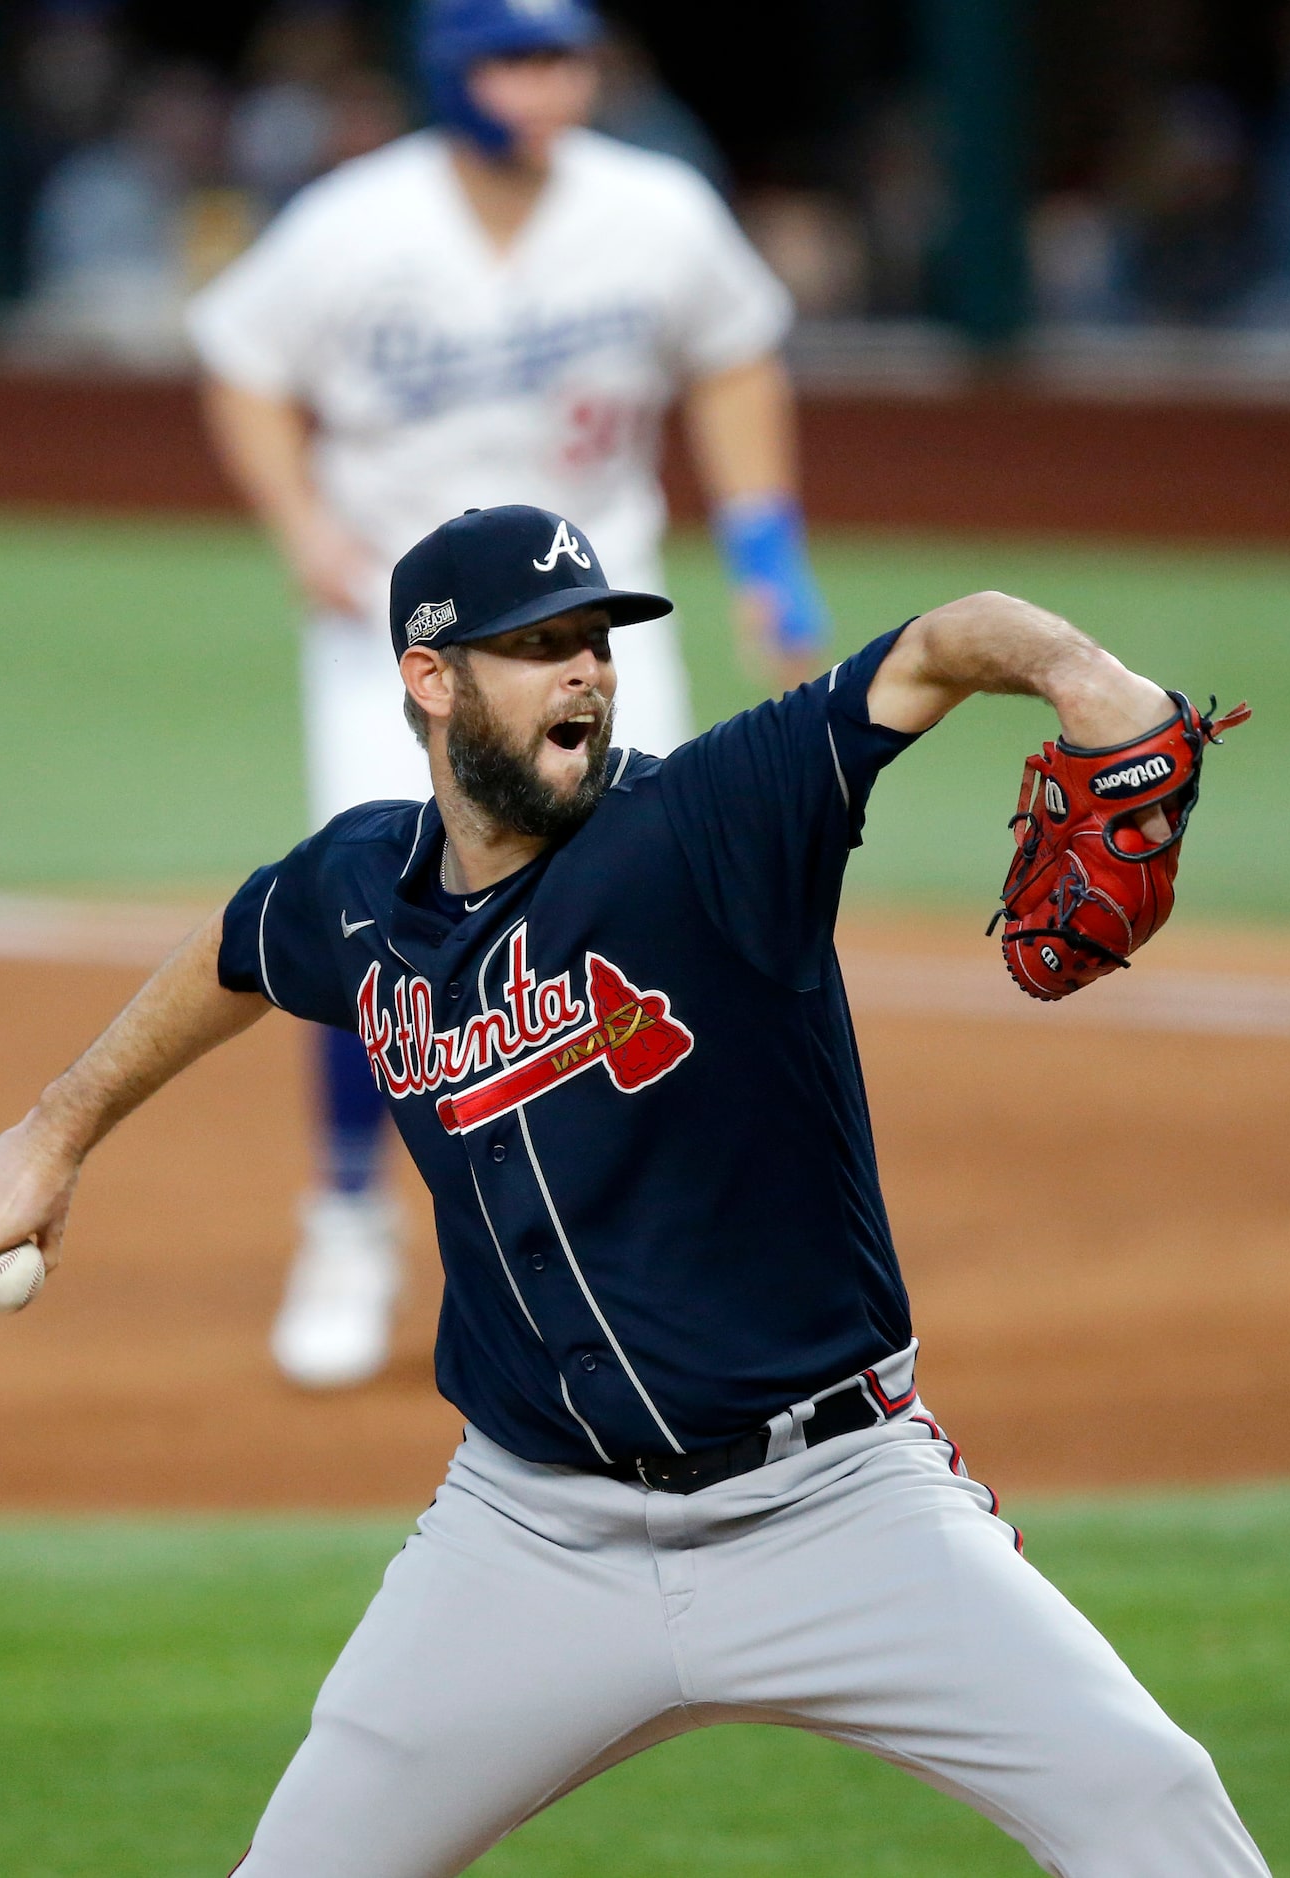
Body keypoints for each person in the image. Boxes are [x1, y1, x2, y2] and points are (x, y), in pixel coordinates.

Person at [0, 504, 1270, 1878]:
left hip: (839, 1505)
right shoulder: (360, 890)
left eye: (596, 640)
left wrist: (1085, 678)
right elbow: (233, 952)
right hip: (530, 1538)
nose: (586, 670)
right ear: (431, 678)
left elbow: (941, 645)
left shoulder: (710, 825)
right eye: (538, 645)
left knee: (1153, 1808)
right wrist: (52, 1136)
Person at [187, 0, 829, 1390]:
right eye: (513, 60)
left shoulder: (653, 210)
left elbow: (733, 356)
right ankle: (349, 1220)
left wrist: (767, 553)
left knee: (638, 888)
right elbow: (242, 360)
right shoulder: (359, 223)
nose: (545, 87)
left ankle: (648, 1215)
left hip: (593, 608)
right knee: (384, 905)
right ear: (450, 72)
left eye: (563, 58)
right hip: (399, 623)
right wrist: (301, 523)